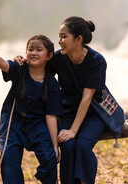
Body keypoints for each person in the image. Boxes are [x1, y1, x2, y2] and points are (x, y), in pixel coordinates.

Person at [15, 17, 110, 184]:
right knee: (67, 146)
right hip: (66, 111)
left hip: (94, 114)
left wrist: (73, 130)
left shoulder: (97, 61)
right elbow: (37, 69)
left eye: (64, 37)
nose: (59, 41)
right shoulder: (59, 58)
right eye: (59, 36)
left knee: (81, 145)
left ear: (78, 39)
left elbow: (87, 99)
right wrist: (22, 61)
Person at [0, 34, 62, 184]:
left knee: (49, 157)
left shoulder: (51, 84)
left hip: (37, 124)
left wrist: (55, 146)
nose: (33, 53)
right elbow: (2, 64)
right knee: (9, 160)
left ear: (49, 55)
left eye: (39, 50)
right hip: (14, 123)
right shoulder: (19, 69)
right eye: (30, 49)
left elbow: (51, 116)